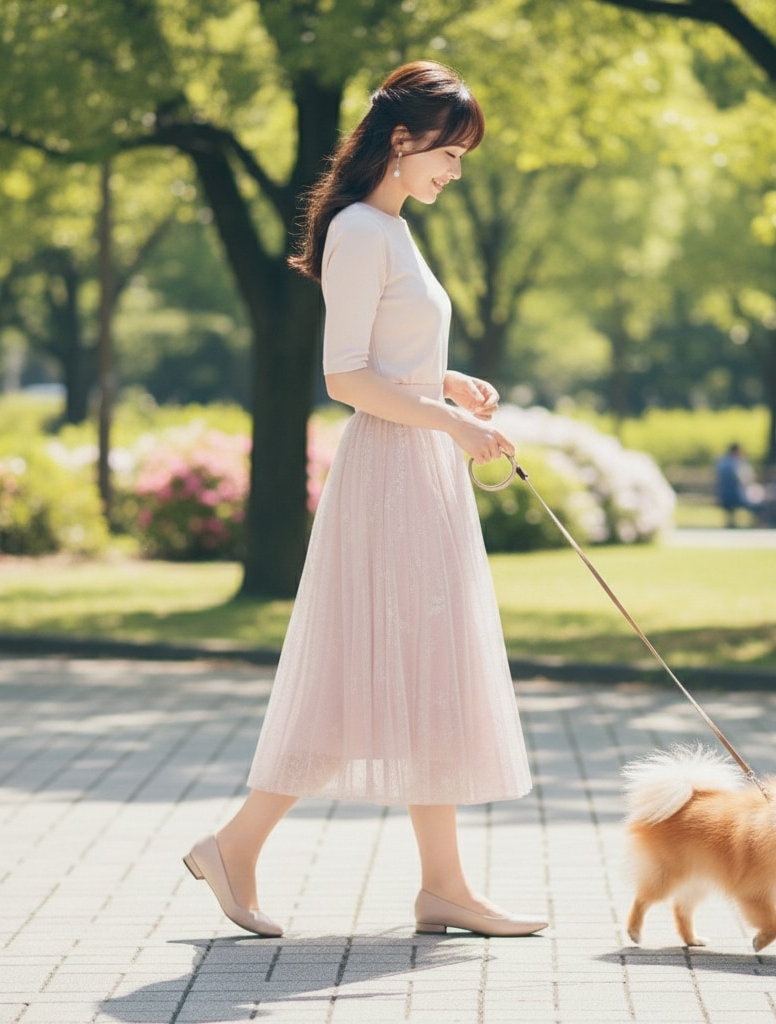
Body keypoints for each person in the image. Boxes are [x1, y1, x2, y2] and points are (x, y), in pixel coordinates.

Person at [183, 61, 546, 939]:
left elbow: (386, 355)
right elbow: (344, 376)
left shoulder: (392, 229)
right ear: (402, 140)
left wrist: (447, 384)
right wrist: (449, 422)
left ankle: (442, 886)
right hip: (390, 474)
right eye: (449, 153)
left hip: (417, 466)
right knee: (365, 670)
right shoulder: (358, 229)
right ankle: (237, 845)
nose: (455, 170)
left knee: (427, 669)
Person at [714, 442, 764, 527]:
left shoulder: (722, 462)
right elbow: (746, 479)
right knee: (758, 502)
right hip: (734, 496)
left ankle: (753, 524)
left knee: (756, 499)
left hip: (724, 496)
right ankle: (757, 524)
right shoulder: (736, 464)